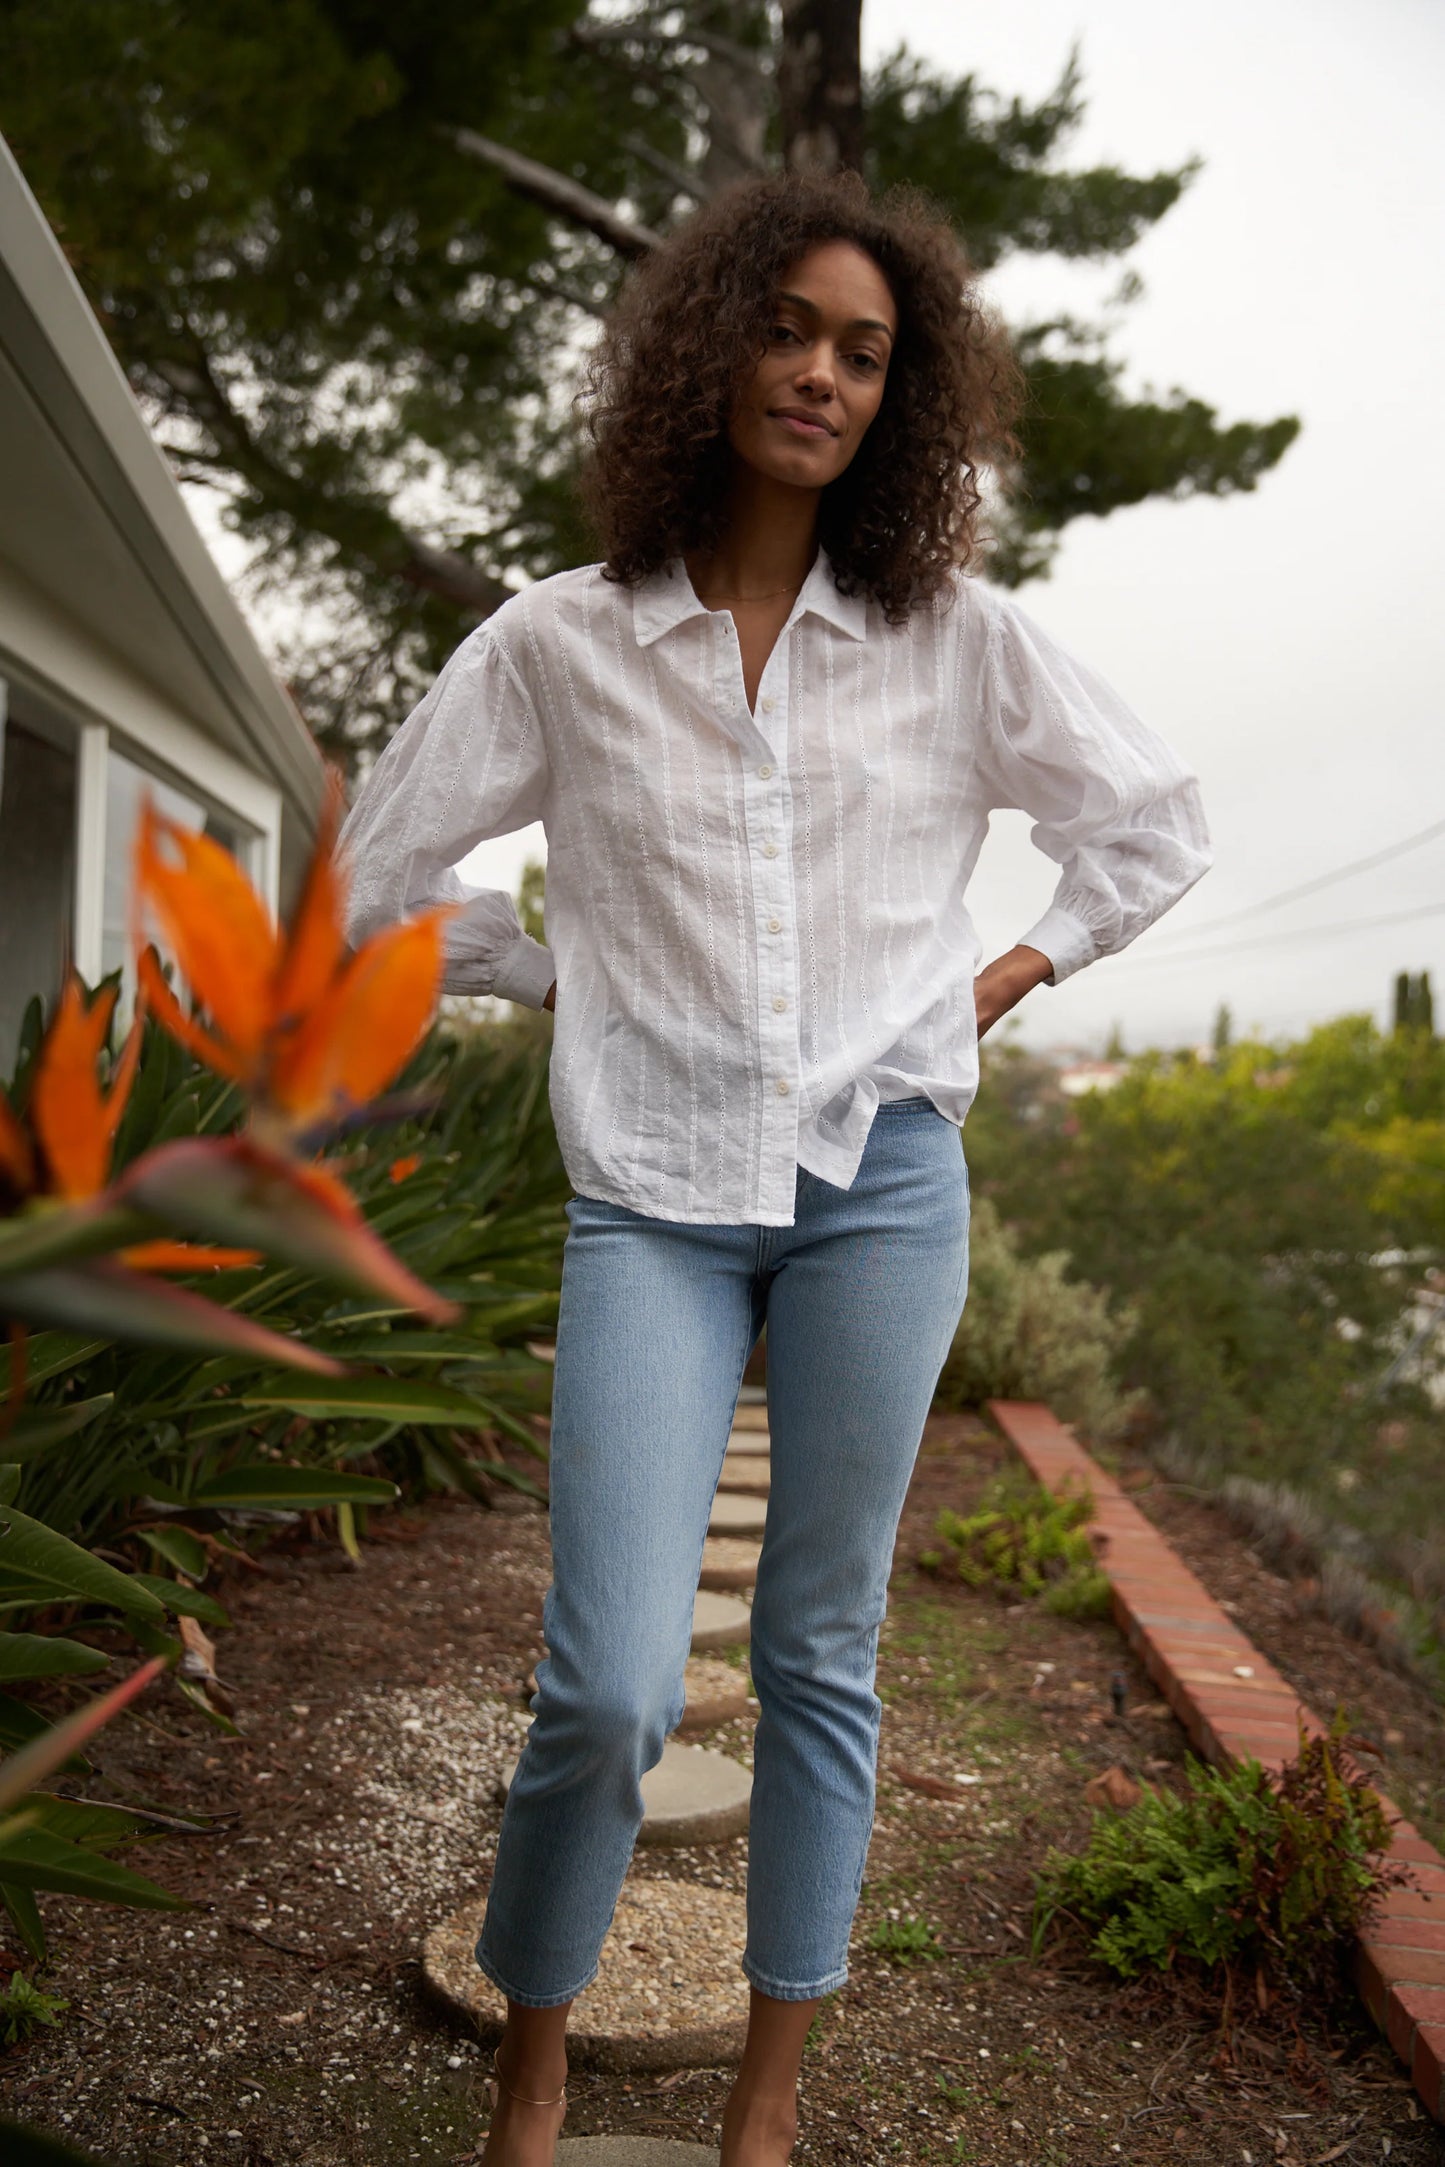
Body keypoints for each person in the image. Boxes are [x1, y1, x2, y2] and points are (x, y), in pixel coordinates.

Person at [339, 167, 1210, 2167]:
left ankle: (768, 2094)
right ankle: (533, 2045)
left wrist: (994, 979)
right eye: (788, 327)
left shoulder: (955, 640)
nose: (818, 371)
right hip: (651, 1196)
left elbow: (1151, 828)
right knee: (613, 1678)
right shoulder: (562, 645)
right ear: (708, 342)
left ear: (900, 399)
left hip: (880, 1187)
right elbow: (371, 873)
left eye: (864, 350)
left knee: (823, 1645)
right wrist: (560, 973)